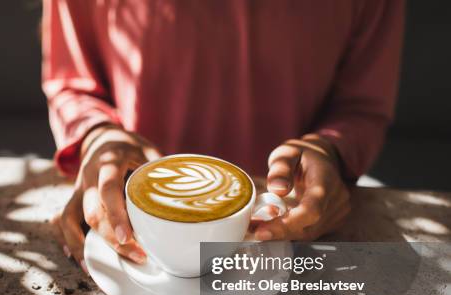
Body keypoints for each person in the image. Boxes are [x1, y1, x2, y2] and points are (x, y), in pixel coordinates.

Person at [43, 0, 404, 272]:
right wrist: (98, 135)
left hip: (288, 246)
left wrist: (330, 152)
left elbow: (362, 107)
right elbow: (72, 83)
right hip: (134, 225)